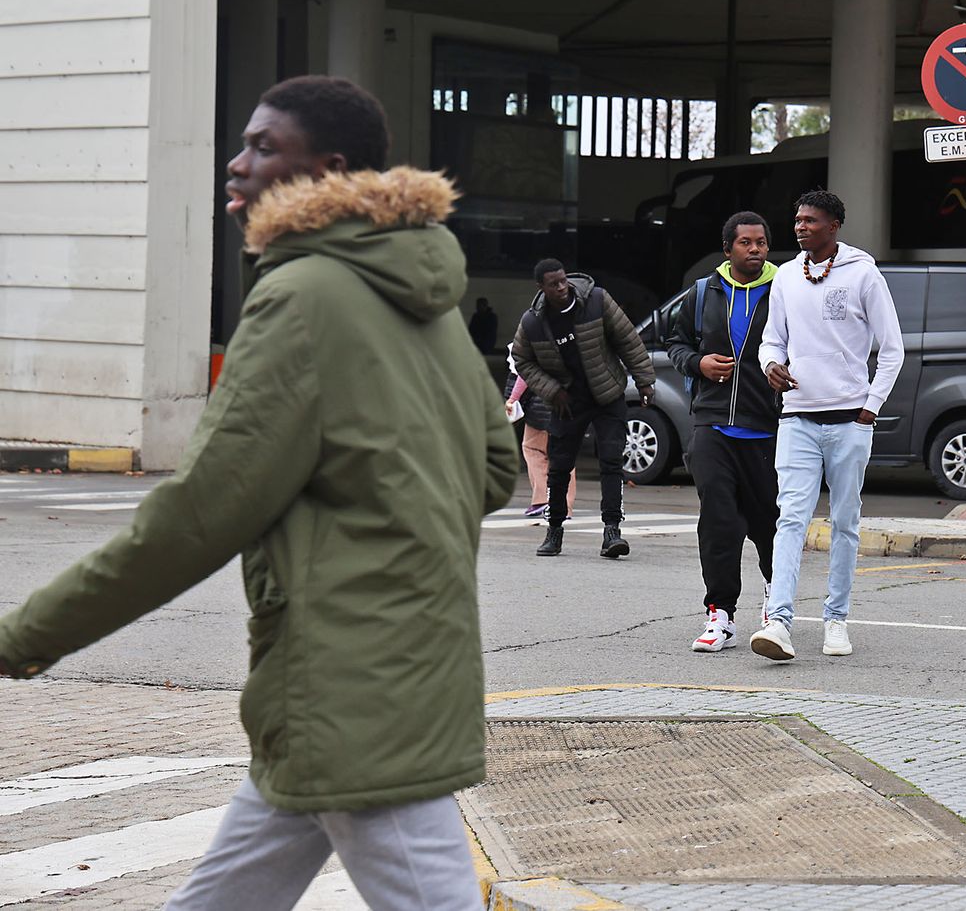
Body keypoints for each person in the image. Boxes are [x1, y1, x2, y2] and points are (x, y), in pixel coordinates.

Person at [0, 75, 521, 910]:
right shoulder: (426, 295)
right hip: (396, 666)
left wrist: (22, 636)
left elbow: (197, 515)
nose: (236, 165)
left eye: (263, 147)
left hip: (348, 682)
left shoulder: (299, 296)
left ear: (330, 168)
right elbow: (495, 466)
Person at [749, 190, 904, 661]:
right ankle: (778, 622)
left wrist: (871, 406)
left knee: (845, 522)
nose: (800, 226)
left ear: (834, 226)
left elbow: (892, 348)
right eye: (797, 219)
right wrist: (771, 365)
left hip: (849, 421)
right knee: (790, 518)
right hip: (797, 416)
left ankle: (836, 620)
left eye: (811, 220)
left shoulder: (863, 273)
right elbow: (772, 339)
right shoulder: (786, 276)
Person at [666, 212, 781, 652]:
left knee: (769, 523)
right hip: (711, 423)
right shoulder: (704, 291)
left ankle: (775, 601)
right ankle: (720, 615)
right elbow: (676, 343)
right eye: (746, 242)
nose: (755, 249)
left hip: (766, 427)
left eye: (761, 242)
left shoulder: (785, 290)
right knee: (718, 523)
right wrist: (698, 363)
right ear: (728, 248)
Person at [511, 260, 655, 559]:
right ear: (541, 288)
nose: (561, 287)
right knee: (559, 466)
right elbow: (522, 360)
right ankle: (554, 530)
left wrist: (645, 381)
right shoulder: (533, 322)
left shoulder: (596, 301)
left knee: (612, 461)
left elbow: (627, 339)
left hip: (607, 394)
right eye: (553, 284)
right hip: (568, 402)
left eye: (563, 280)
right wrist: (552, 390)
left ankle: (612, 531)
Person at [505, 343, 577, 518]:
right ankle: (565, 506)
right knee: (564, 454)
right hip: (568, 407)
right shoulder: (573, 341)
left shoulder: (534, 341)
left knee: (532, 448)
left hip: (540, 409)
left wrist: (512, 399)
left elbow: (524, 376)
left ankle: (542, 499)